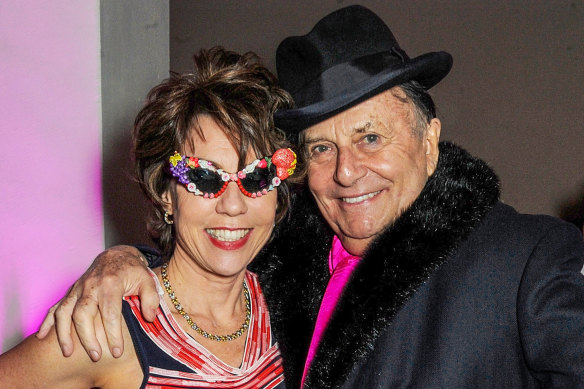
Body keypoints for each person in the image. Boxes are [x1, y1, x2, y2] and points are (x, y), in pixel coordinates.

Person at [37, 5, 584, 388]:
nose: (347, 171)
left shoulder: (529, 261)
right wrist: (125, 260)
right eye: (321, 148)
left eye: (370, 137)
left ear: (430, 140)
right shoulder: (280, 272)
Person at [0, 46, 297, 388]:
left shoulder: (294, 305)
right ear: (166, 194)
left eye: (256, 178)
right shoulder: (109, 326)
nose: (233, 206)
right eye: (204, 177)